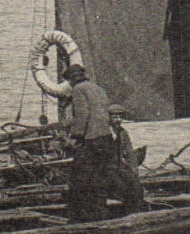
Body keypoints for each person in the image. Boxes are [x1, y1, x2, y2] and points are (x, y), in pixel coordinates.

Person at [62, 63, 116, 220]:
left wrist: (74, 137)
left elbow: (82, 116)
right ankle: (101, 210)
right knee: (102, 176)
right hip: (105, 136)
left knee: (82, 176)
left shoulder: (79, 90)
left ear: (72, 80)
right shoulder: (98, 88)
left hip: (91, 138)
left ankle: (84, 214)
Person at [106, 104, 146, 213]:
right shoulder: (103, 133)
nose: (118, 120)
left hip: (120, 167)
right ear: (108, 118)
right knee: (122, 189)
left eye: (120, 117)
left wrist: (134, 168)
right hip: (107, 169)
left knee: (137, 188)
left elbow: (130, 152)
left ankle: (135, 213)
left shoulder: (123, 133)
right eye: (115, 117)